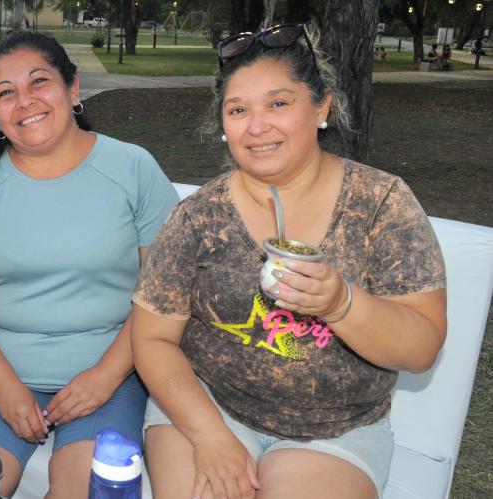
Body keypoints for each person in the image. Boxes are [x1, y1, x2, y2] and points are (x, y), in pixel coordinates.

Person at [132, 24, 446, 499]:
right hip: (206, 407)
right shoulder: (198, 217)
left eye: (278, 104)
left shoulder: (381, 203)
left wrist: (340, 302)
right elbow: (153, 337)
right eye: (238, 110)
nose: (257, 127)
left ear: (321, 107)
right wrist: (210, 435)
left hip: (336, 431)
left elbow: (421, 348)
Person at [0, 31, 179, 497]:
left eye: (39, 82)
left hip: (112, 373)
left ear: (73, 88)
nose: (25, 102)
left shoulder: (132, 168)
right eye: (7, 93)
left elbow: (164, 292)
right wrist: (5, 387)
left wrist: (104, 379)